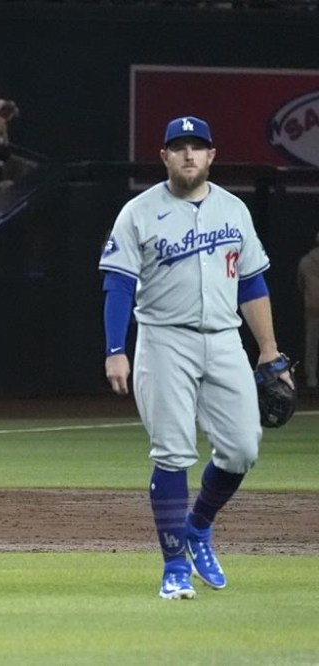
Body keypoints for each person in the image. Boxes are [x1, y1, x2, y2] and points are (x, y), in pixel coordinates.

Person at [99, 116, 293, 600]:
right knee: (173, 452)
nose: (188, 154)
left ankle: (198, 525)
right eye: (178, 147)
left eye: (197, 147)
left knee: (243, 448)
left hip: (225, 339)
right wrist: (115, 350)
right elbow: (118, 283)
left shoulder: (233, 210)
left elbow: (252, 283)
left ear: (211, 156)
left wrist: (268, 352)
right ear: (164, 157)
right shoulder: (139, 212)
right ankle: (174, 569)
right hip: (164, 340)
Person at [297, 232, 319, 389]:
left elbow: (300, 284)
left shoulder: (305, 262)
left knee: (311, 344)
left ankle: (311, 377)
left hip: (312, 306)